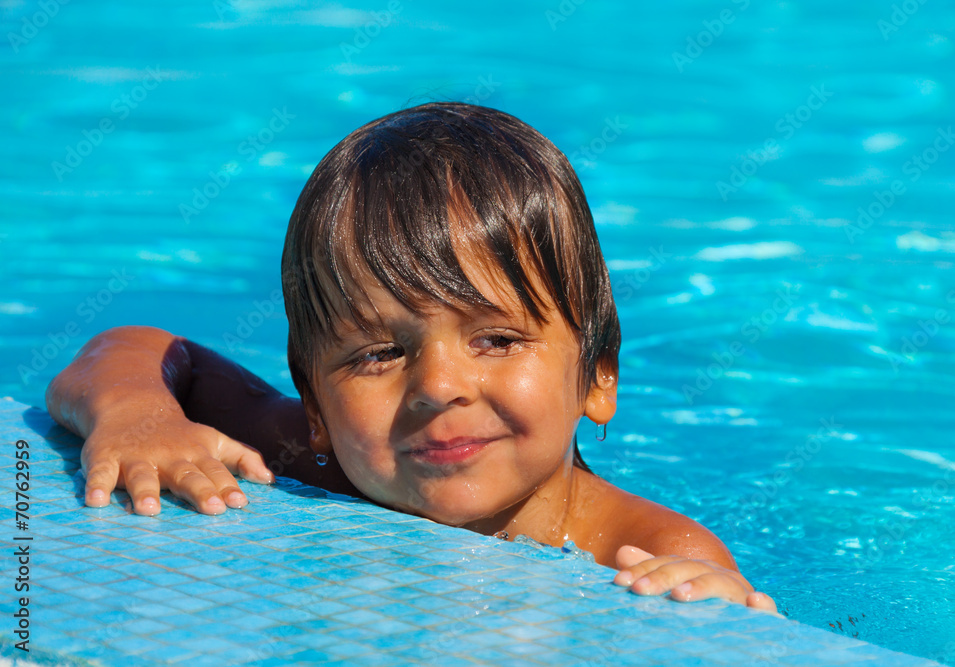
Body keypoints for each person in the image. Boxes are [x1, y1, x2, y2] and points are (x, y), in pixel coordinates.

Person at [46, 102, 776, 612]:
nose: (439, 385)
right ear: (317, 407)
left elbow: (718, 611)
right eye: (379, 353)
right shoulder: (308, 457)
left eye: (496, 337)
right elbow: (136, 348)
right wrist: (137, 414)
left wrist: (709, 602)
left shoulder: (640, 546)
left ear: (598, 374)